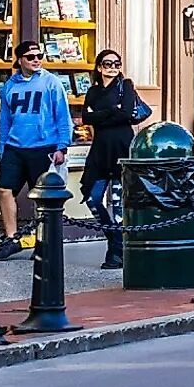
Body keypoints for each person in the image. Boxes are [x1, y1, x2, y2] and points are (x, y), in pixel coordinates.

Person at [0, 40, 71, 257]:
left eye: (39, 56)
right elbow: (5, 121)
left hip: (43, 146)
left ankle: (43, 241)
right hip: (14, 147)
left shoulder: (51, 83)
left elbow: (63, 116)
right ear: (20, 60)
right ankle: (11, 238)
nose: (36, 60)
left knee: (42, 197)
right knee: (4, 189)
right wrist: (1, 153)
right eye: (30, 57)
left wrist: (62, 146)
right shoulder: (10, 85)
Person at [78, 48, 150, 269]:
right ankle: (114, 239)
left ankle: (116, 252)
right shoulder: (92, 91)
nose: (112, 68)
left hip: (121, 147)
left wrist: (103, 115)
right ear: (99, 67)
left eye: (116, 63)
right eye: (107, 64)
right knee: (92, 197)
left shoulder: (125, 85)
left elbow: (127, 114)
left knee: (119, 204)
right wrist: (111, 111)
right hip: (100, 150)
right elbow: (86, 117)